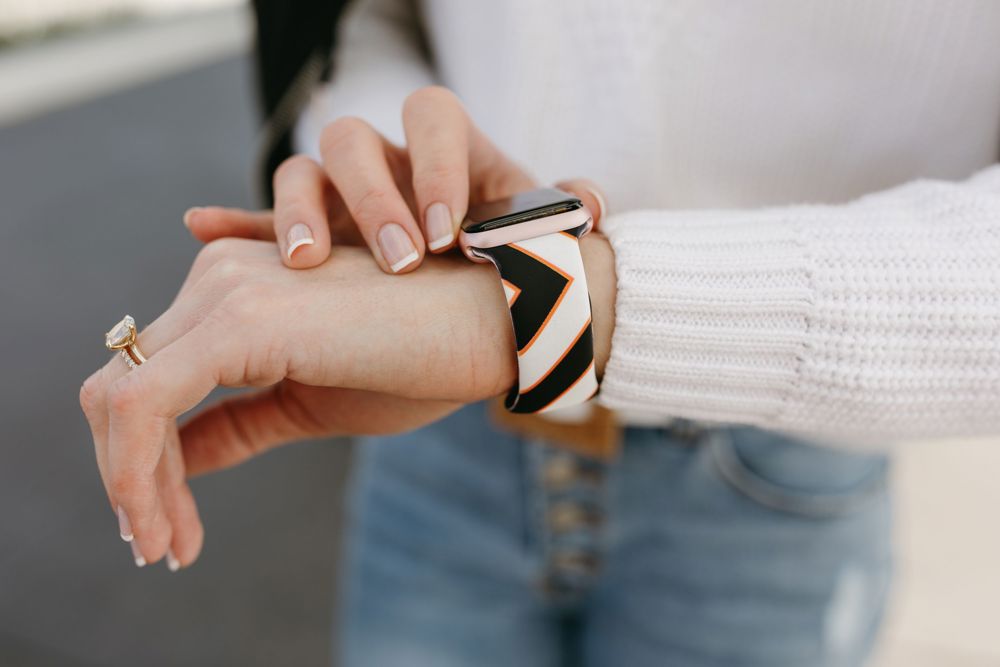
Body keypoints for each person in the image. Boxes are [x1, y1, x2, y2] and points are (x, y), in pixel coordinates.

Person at [81, 1, 1000, 665]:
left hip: (772, 479)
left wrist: (549, 303)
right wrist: (378, 151)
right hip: (437, 438)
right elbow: (359, 16)